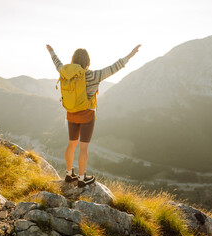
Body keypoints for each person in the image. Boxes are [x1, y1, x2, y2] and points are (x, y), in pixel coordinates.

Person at [46, 44, 141, 187]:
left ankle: (69, 174)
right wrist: (131, 55)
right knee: (83, 148)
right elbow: (115, 67)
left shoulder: (64, 72)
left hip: (71, 113)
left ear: (73, 60)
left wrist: (51, 51)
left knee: (71, 144)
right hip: (87, 114)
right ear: (87, 62)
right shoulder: (94, 75)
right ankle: (82, 178)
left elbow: (57, 63)